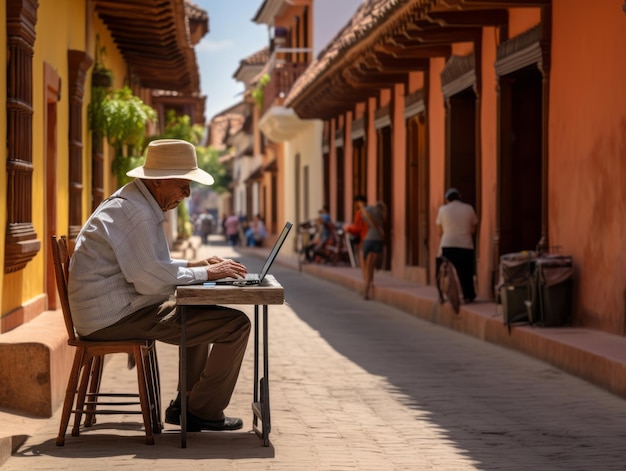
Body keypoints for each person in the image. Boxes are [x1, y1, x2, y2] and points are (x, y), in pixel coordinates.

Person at [68, 139, 251, 432]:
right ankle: (202, 410)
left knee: (199, 310)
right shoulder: (136, 213)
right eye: (182, 185)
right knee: (236, 324)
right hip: (112, 318)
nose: (187, 194)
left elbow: (151, 266)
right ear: (160, 182)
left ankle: (187, 406)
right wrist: (208, 273)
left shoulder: (136, 203)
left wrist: (195, 266)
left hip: (114, 312)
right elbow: (148, 279)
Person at [435, 187, 478, 303]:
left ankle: (441, 294)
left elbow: (439, 232)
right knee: (466, 272)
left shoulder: (442, 210)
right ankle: (468, 295)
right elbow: (473, 229)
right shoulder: (469, 208)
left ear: (447, 199)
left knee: (441, 269)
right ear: (459, 197)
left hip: (448, 245)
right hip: (466, 245)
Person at [346, 195, 386, 300]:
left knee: (365, 268)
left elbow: (357, 227)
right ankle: (369, 285)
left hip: (366, 240)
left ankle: (366, 290)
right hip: (377, 240)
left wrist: (348, 228)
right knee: (371, 267)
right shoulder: (380, 214)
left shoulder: (362, 212)